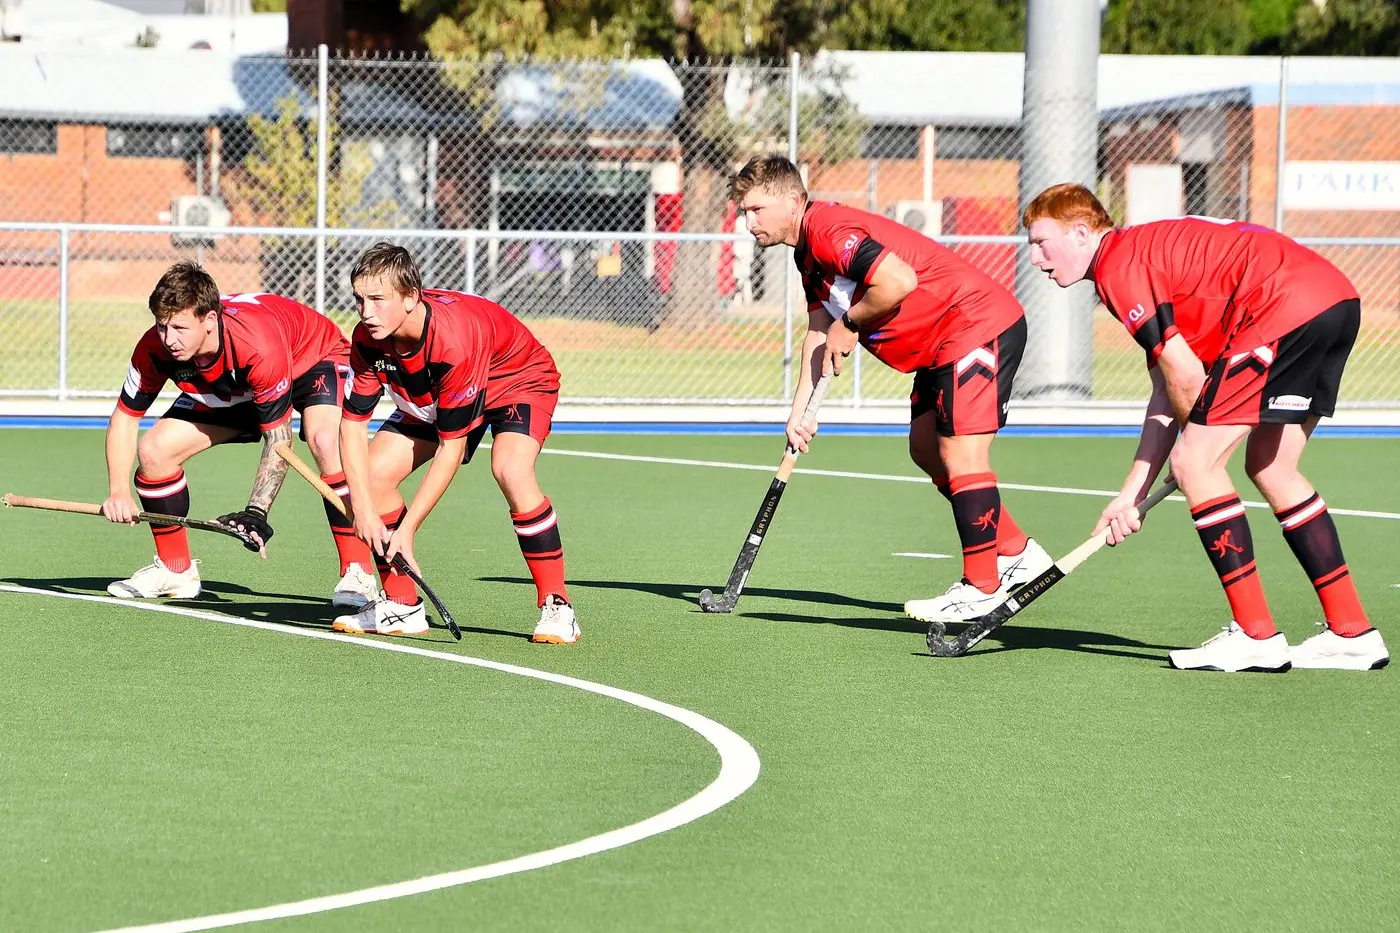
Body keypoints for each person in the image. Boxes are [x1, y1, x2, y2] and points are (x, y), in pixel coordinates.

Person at [1023, 183, 1388, 672]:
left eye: (1042, 243)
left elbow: (1187, 379)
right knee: (1274, 468)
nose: (1036, 260)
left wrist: (1194, 453)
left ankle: (1255, 635)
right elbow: (1165, 387)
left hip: (1281, 307)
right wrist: (1133, 492)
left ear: (1082, 232)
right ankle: (1352, 633)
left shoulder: (1117, 267)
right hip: (1333, 301)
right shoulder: (1143, 254)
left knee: (1197, 461)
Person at [729, 155, 1053, 622]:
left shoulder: (828, 230)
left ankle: (982, 584)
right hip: (941, 343)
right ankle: (1016, 552)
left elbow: (898, 281)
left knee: (961, 453)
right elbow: (818, 335)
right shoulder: (807, 255)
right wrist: (800, 414)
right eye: (744, 212)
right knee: (926, 447)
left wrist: (852, 322)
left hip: (975, 325)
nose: (748, 222)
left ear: (793, 201)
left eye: (756, 209)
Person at [334, 242, 577, 643]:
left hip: (515, 382)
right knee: (375, 476)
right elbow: (351, 426)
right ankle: (401, 605)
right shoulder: (366, 339)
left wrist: (407, 529)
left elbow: (452, 448)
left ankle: (557, 605)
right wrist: (360, 505)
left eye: (378, 299)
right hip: (438, 392)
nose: (365, 311)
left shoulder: (453, 340)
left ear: (411, 297)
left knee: (510, 470)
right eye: (359, 299)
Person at [102, 262, 377, 609]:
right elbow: (125, 417)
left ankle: (358, 572)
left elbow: (279, 440)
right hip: (240, 387)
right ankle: (176, 572)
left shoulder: (254, 343)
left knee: (325, 439)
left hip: (312, 359)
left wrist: (256, 511)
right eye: (162, 326)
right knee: (155, 450)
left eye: (180, 328)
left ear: (210, 320)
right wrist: (117, 491)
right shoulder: (154, 349)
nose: (169, 339)